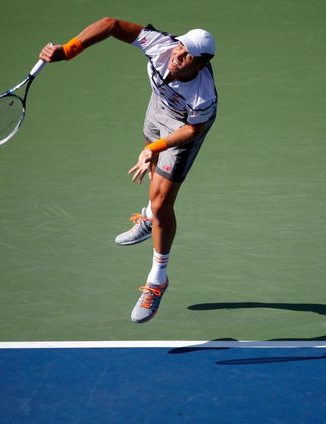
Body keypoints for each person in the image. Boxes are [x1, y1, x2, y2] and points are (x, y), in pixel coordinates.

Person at [39, 17, 217, 323]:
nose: (178, 55)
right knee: (153, 184)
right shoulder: (162, 46)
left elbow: (194, 129)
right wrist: (69, 50)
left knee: (163, 203)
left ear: (200, 65)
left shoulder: (203, 94)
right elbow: (111, 25)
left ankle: (157, 280)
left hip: (184, 126)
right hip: (157, 107)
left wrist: (154, 149)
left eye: (188, 55)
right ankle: (148, 217)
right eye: (180, 47)